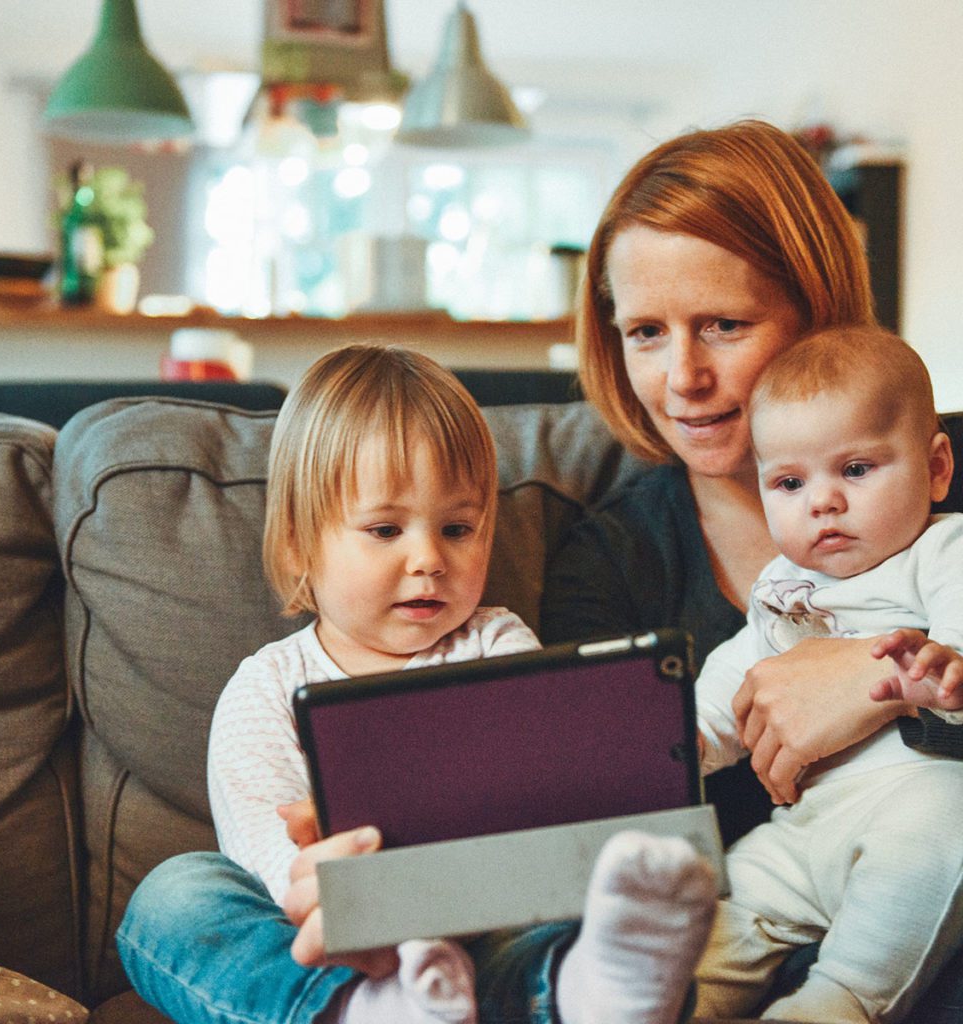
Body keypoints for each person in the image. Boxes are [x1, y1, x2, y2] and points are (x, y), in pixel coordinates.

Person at [117, 343, 717, 1024]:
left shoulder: (497, 644)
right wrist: (359, 901)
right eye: (385, 529)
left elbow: (545, 800)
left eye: (458, 528)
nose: (429, 559)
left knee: (580, 913)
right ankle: (366, 1010)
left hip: (487, 926)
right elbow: (269, 864)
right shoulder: (264, 689)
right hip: (339, 942)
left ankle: (591, 993)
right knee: (174, 896)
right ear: (296, 545)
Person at [538, 118, 963, 1020]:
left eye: (724, 325)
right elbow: (625, 831)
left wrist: (873, 676)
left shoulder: (940, 478)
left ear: (816, 311)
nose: (683, 376)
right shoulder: (610, 562)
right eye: (646, 332)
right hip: (751, 925)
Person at [691, 325, 963, 1023]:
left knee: (936, 836)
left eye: (857, 470)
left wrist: (949, 660)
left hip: (913, 799)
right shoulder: (784, 584)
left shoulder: (940, 550)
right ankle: (684, 999)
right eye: (789, 481)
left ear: (937, 469)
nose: (823, 502)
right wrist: (686, 739)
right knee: (730, 899)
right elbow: (741, 672)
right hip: (805, 824)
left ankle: (837, 1000)